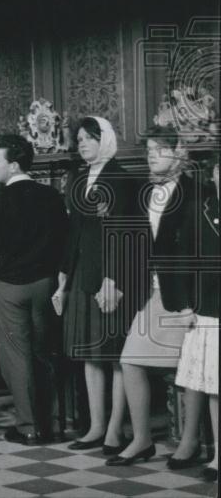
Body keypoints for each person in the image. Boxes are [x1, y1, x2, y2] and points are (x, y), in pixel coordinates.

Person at [110, 125, 197, 466]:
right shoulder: (144, 190)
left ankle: (189, 444)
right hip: (151, 292)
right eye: (148, 149)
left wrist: (194, 301)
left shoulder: (197, 191)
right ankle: (142, 439)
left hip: (185, 296)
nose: (152, 154)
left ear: (179, 151)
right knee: (130, 360)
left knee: (192, 370)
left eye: (160, 148)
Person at [53, 117, 136, 455]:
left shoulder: (122, 179)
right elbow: (74, 233)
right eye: (80, 139)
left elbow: (123, 235)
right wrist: (63, 278)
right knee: (90, 354)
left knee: (115, 355)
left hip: (110, 280)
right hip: (82, 277)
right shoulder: (78, 177)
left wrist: (113, 280)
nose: (82, 143)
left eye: (89, 138)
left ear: (106, 139)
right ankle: (96, 426)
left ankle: (116, 430)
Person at [0, 133, 68, 445]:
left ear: (13, 164)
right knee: (45, 354)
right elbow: (64, 241)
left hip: (10, 287)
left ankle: (29, 427)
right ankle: (55, 424)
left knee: (17, 359)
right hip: (46, 284)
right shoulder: (52, 196)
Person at [173, 154, 218, 483]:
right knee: (215, 386)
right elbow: (184, 259)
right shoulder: (200, 210)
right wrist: (185, 304)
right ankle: (218, 453)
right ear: (215, 175)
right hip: (210, 310)